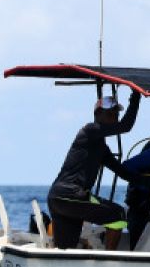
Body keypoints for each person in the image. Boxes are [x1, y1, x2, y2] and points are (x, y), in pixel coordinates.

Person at [47, 90, 141, 250]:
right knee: (118, 215)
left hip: (58, 199)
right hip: (70, 195)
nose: (115, 118)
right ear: (98, 114)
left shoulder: (100, 147)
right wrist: (136, 97)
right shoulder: (89, 130)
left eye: (116, 114)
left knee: (66, 249)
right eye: (110, 114)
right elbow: (126, 126)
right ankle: (108, 263)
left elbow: (123, 173)